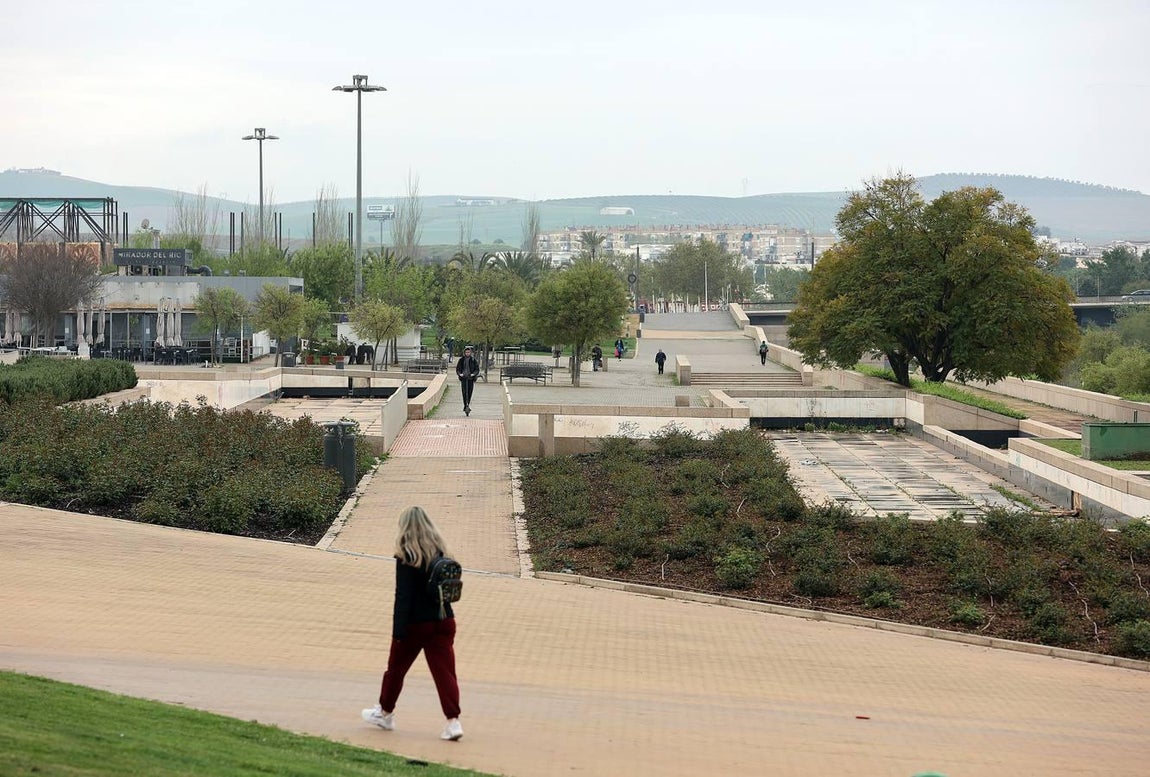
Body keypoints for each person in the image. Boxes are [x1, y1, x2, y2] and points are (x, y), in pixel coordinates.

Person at [362, 506, 463, 742]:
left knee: (395, 670)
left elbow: (403, 596)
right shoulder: (441, 551)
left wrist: (398, 631)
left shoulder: (407, 555)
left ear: (405, 526)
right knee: (445, 673)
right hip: (444, 620)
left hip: (416, 625)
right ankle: (453, 722)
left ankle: (385, 713)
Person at [456, 345, 480, 416]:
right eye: (466, 352)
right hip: (464, 378)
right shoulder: (461, 360)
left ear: (470, 353)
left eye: (468, 352)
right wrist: (460, 374)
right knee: (464, 392)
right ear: (464, 353)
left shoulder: (473, 360)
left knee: (469, 392)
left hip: (470, 378)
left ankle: (467, 404)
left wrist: (473, 374)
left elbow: (477, 369)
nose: (467, 353)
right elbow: (458, 369)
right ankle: (465, 405)